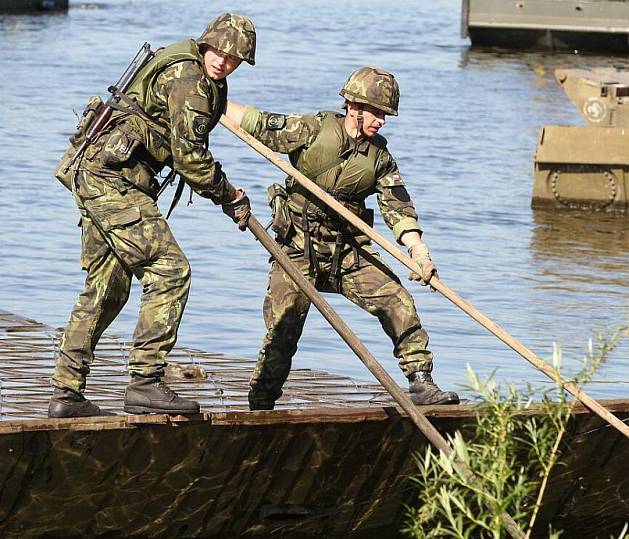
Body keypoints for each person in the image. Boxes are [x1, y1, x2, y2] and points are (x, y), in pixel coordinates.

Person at [48, 13, 256, 418]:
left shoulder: (190, 70)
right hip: (112, 180)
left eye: (235, 60)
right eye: (222, 51)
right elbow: (191, 159)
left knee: (106, 289)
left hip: (96, 173)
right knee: (171, 271)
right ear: (208, 41)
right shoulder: (191, 77)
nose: (225, 62)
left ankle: (66, 394)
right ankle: (145, 382)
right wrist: (229, 194)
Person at [225, 66, 460, 410]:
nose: (381, 121)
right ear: (354, 107)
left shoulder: (380, 158)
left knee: (397, 300)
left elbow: (398, 208)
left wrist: (419, 252)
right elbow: (257, 123)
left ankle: (421, 381)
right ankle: (261, 402)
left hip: (345, 251)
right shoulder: (312, 130)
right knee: (284, 328)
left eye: (385, 115)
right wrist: (211, 101)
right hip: (297, 247)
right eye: (377, 113)